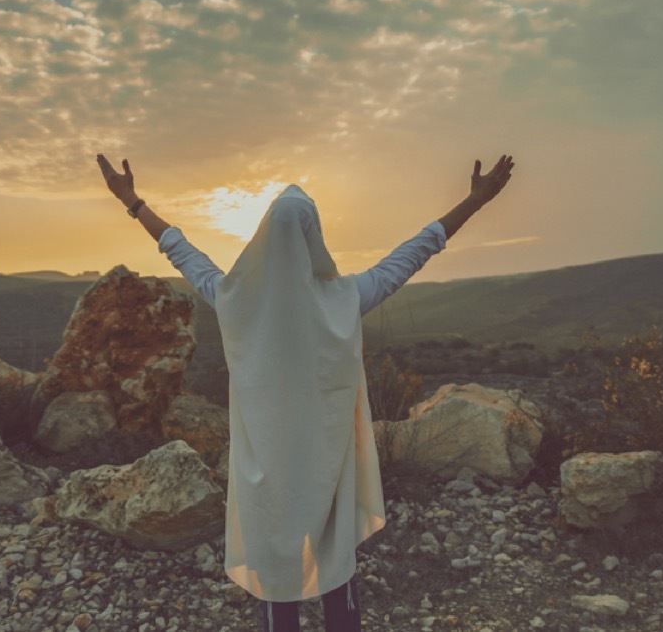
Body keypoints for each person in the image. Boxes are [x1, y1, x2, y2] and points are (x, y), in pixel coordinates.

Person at [96, 153, 515, 632]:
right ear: (314, 239)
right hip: (328, 470)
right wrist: (474, 202)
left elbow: (181, 251)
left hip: (267, 478)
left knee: (277, 580)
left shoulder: (234, 298)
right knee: (335, 564)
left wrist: (133, 202)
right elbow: (415, 251)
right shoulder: (345, 297)